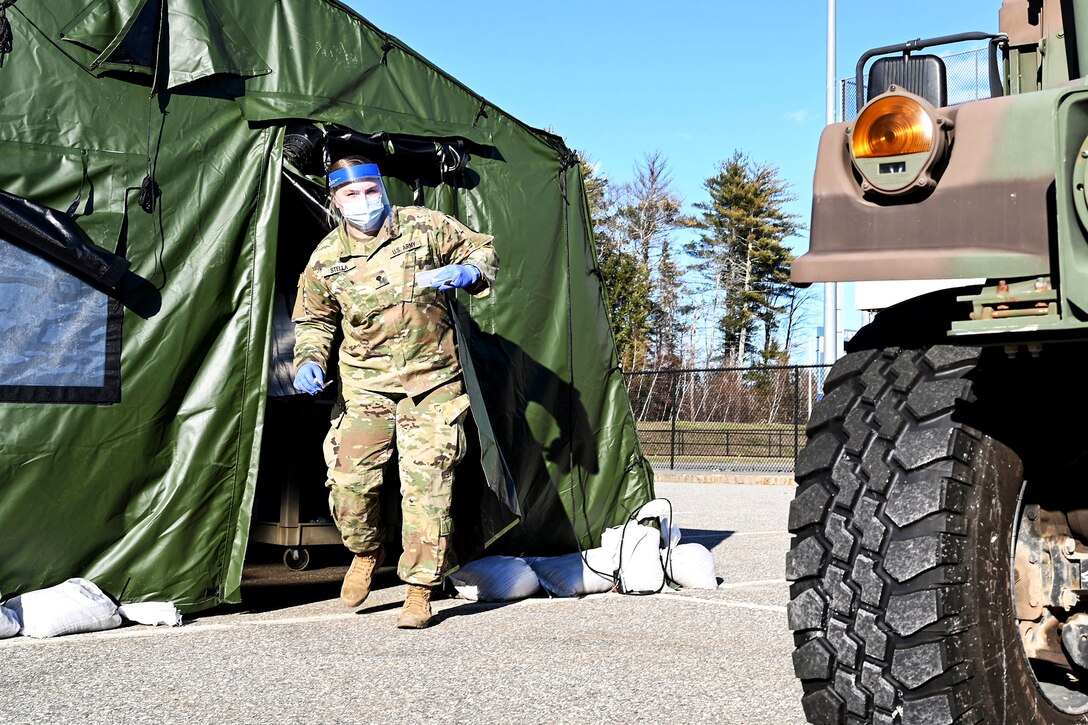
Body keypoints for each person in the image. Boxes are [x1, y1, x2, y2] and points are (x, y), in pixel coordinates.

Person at [291, 155, 498, 629]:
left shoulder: (422, 227)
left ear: (381, 189)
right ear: (335, 200)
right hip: (365, 385)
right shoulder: (325, 259)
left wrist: (471, 272)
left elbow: (482, 250)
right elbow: (315, 320)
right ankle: (365, 551)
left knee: (428, 488)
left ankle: (419, 589)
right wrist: (308, 360)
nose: (363, 201)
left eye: (369, 191)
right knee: (349, 484)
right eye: (351, 194)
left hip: (433, 384)